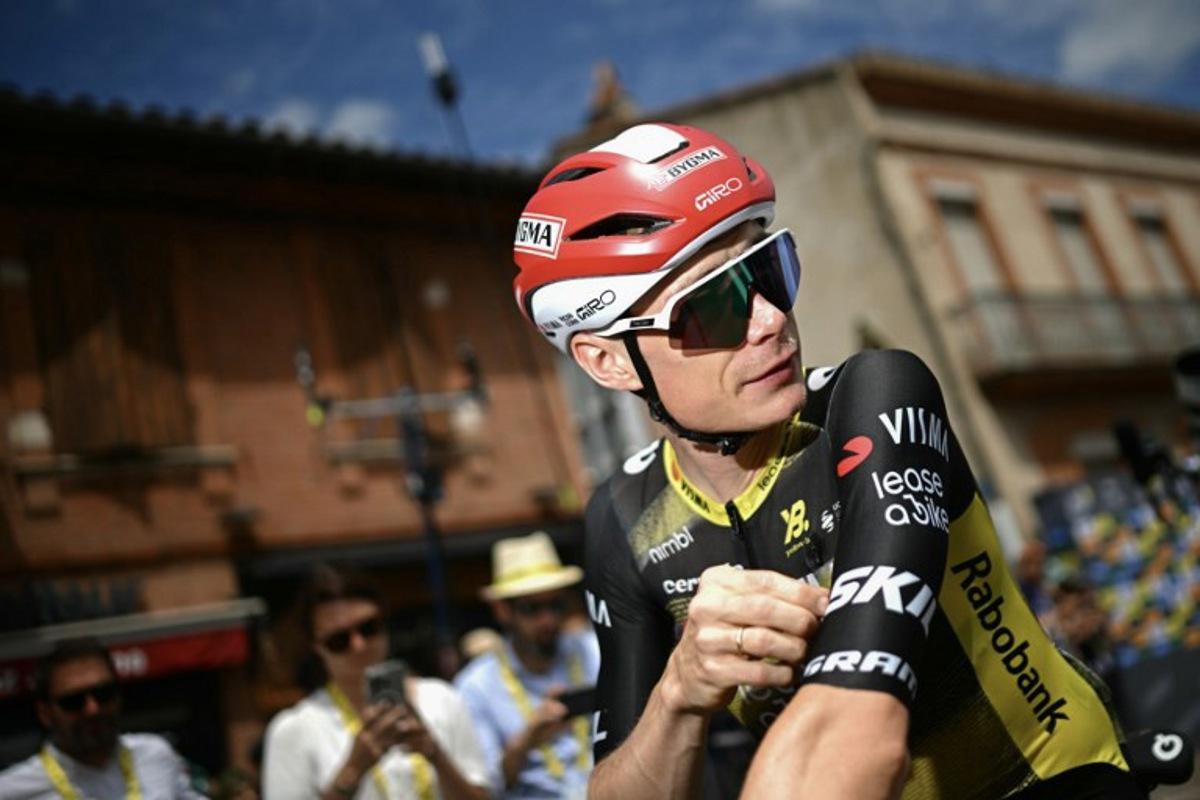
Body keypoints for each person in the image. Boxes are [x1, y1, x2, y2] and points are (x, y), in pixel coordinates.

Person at [510, 123, 1145, 798]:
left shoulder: (870, 397)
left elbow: (858, 725)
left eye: (769, 270)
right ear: (608, 362)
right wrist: (679, 693)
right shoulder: (624, 517)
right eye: (712, 307)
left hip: (1052, 778)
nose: (769, 320)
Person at [262, 564, 490, 800]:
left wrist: (436, 756)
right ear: (316, 647)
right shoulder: (295, 729)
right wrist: (353, 770)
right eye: (339, 640)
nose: (359, 645)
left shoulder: (442, 699)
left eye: (369, 628)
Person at [454, 531, 600, 798]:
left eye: (556, 605)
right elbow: (487, 789)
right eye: (532, 608)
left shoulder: (592, 651)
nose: (548, 620)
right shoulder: (475, 687)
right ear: (502, 611)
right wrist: (527, 739)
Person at [0, 636, 203, 799]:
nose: (93, 709)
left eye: (103, 694)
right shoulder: (12, 790)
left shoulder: (155, 754)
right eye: (74, 701)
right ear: (45, 713)